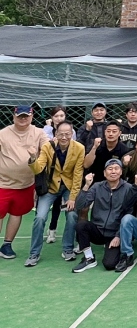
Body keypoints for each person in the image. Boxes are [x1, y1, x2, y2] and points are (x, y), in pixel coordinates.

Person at [24, 121, 84, 266]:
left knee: (72, 215)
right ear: (55, 134)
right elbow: (38, 169)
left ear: (72, 134)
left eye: (67, 134)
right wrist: (33, 157)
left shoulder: (79, 148)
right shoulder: (47, 147)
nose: (64, 137)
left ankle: (68, 248)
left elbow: (78, 175)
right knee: (40, 217)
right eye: (61, 134)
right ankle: (34, 253)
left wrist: (72, 198)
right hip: (50, 187)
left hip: (68, 186)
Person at [0, 106, 49, 260]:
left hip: (26, 184)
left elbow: (48, 148)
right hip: (2, 183)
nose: (23, 119)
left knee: (17, 213)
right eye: (19, 116)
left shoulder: (39, 133)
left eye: (26, 116)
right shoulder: (3, 133)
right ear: (13, 117)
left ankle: (7, 245)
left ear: (31, 117)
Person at [72, 159, 137, 272]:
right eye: (110, 169)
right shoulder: (97, 186)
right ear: (104, 173)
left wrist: (118, 236)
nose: (113, 171)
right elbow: (80, 205)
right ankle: (89, 258)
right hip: (98, 230)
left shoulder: (129, 188)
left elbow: (130, 213)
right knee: (81, 225)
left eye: (116, 169)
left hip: (115, 234)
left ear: (121, 172)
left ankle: (118, 249)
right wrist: (86, 186)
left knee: (109, 264)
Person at [42, 105, 76, 244]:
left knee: (67, 208)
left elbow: (73, 150)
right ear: (52, 118)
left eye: (62, 115)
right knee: (50, 206)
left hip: (66, 176)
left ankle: (59, 234)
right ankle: (51, 230)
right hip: (51, 176)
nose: (59, 118)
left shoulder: (71, 132)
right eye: (56, 116)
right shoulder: (47, 130)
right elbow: (44, 149)